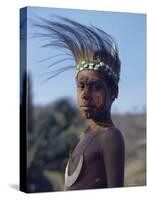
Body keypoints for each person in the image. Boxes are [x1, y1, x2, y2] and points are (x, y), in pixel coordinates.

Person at [35, 16, 125, 191]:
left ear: (113, 92)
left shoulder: (110, 137)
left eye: (95, 87)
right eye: (81, 86)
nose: (85, 95)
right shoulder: (86, 136)